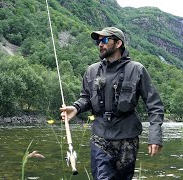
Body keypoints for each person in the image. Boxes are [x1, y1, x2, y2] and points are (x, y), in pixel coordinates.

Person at [60, 27, 164, 180]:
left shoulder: (137, 69)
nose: (100, 44)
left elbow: (154, 105)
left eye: (105, 40)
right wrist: (75, 108)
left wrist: (155, 136)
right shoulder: (91, 71)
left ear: (118, 43)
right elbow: (86, 98)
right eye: (98, 41)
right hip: (100, 136)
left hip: (128, 139)